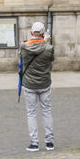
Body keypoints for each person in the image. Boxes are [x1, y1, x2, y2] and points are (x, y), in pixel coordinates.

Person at [19, 21, 55, 150]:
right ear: (43, 33)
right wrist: (45, 42)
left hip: (29, 84)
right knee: (46, 111)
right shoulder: (49, 47)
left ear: (31, 33)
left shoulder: (24, 47)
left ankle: (34, 143)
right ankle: (49, 142)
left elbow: (22, 59)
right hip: (44, 83)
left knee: (31, 113)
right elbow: (50, 60)